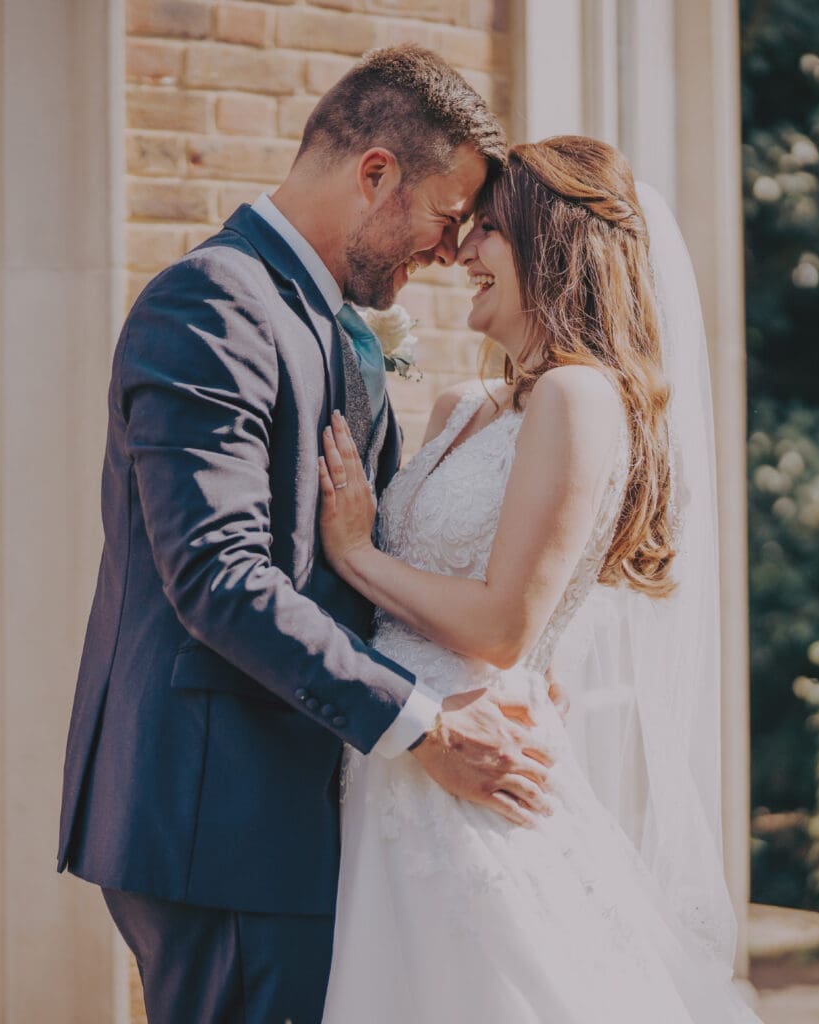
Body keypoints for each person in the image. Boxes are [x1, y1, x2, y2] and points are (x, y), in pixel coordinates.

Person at [57, 46, 556, 1024]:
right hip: (224, 808)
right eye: (446, 218)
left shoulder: (328, 322)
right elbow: (219, 575)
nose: (450, 251)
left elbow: (355, 564)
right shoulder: (211, 303)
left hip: (284, 806)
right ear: (375, 173)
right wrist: (422, 725)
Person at [317, 136, 763, 1023]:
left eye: (488, 233)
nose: (462, 255)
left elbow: (501, 628)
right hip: (394, 756)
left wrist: (359, 556)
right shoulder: (460, 408)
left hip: (475, 773)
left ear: (551, 247)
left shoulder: (579, 397)